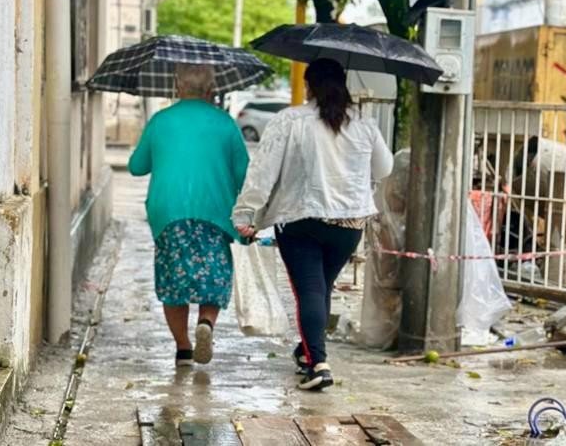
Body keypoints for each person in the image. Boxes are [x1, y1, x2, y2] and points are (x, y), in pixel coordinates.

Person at [232, 58, 393, 391]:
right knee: (320, 288)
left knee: (310, 290)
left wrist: (247, 213)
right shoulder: (363, 123)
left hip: (300, 220)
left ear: (308, 86)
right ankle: (307, 353)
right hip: (348, 224)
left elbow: (263, 172)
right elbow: (384, 169)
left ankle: (319, 363)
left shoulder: (290, 120)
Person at [128, 63, 249, 368]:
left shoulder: (161, 120)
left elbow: (136, 166)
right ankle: (206, 322)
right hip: (216, 211)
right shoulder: (225, 123)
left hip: (169, 212)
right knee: (214, 274)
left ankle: (183, 348)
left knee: (174, 281)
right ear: (211, 90)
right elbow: (244, 174)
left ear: (177, 87)